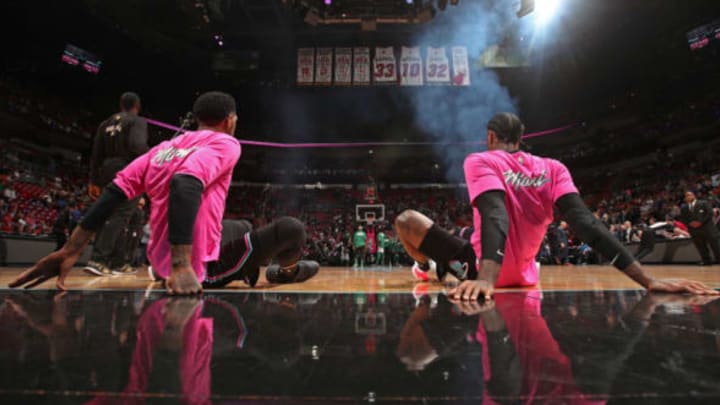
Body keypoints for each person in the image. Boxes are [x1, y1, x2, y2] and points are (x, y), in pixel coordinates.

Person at [9, 92, 319, 295]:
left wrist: (70, 250)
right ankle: (286, 272)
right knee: (292, 229)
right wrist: (183, 266)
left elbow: (113, 193)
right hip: (199, 270)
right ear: (230, 120)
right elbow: (185, 184)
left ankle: (247, 263)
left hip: (160, 262)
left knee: (242, 227)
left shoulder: (163, 148)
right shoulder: (226, 143)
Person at [395, 112, 718, 300]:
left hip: (481, 268)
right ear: (520, 139)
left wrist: (487, 280)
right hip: (524, 274)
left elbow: (495, 213)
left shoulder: (481, 160)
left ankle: (426, 267)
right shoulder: (554, 167)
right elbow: (585, 223)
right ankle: (435, 268)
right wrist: (649, 281)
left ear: (491, 136)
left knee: (406, 219)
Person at [85, 92, 149, 276]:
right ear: (137, 105)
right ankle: (99, 259)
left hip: (106, 169)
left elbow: (96, 153)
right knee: (121, 215)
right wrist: (152, 154)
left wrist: (93, 180)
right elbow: (137, 146)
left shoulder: (105, 123)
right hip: (128, 169)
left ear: (121, 104)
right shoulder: (137, 121)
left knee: (110, 214)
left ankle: (116, 262)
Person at [679, 191, 720, 265]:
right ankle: (706, 261)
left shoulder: (703, 203)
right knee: (701, 247)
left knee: (715, 245)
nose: (689, 197)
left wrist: (700, 222)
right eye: (687, 196)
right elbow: (682, 218)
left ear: (694, 196)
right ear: (685, 199)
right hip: (694, 230)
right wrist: (690, 223)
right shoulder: (684, 207)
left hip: (707, 228)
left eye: (690, 195)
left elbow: (710, 213)